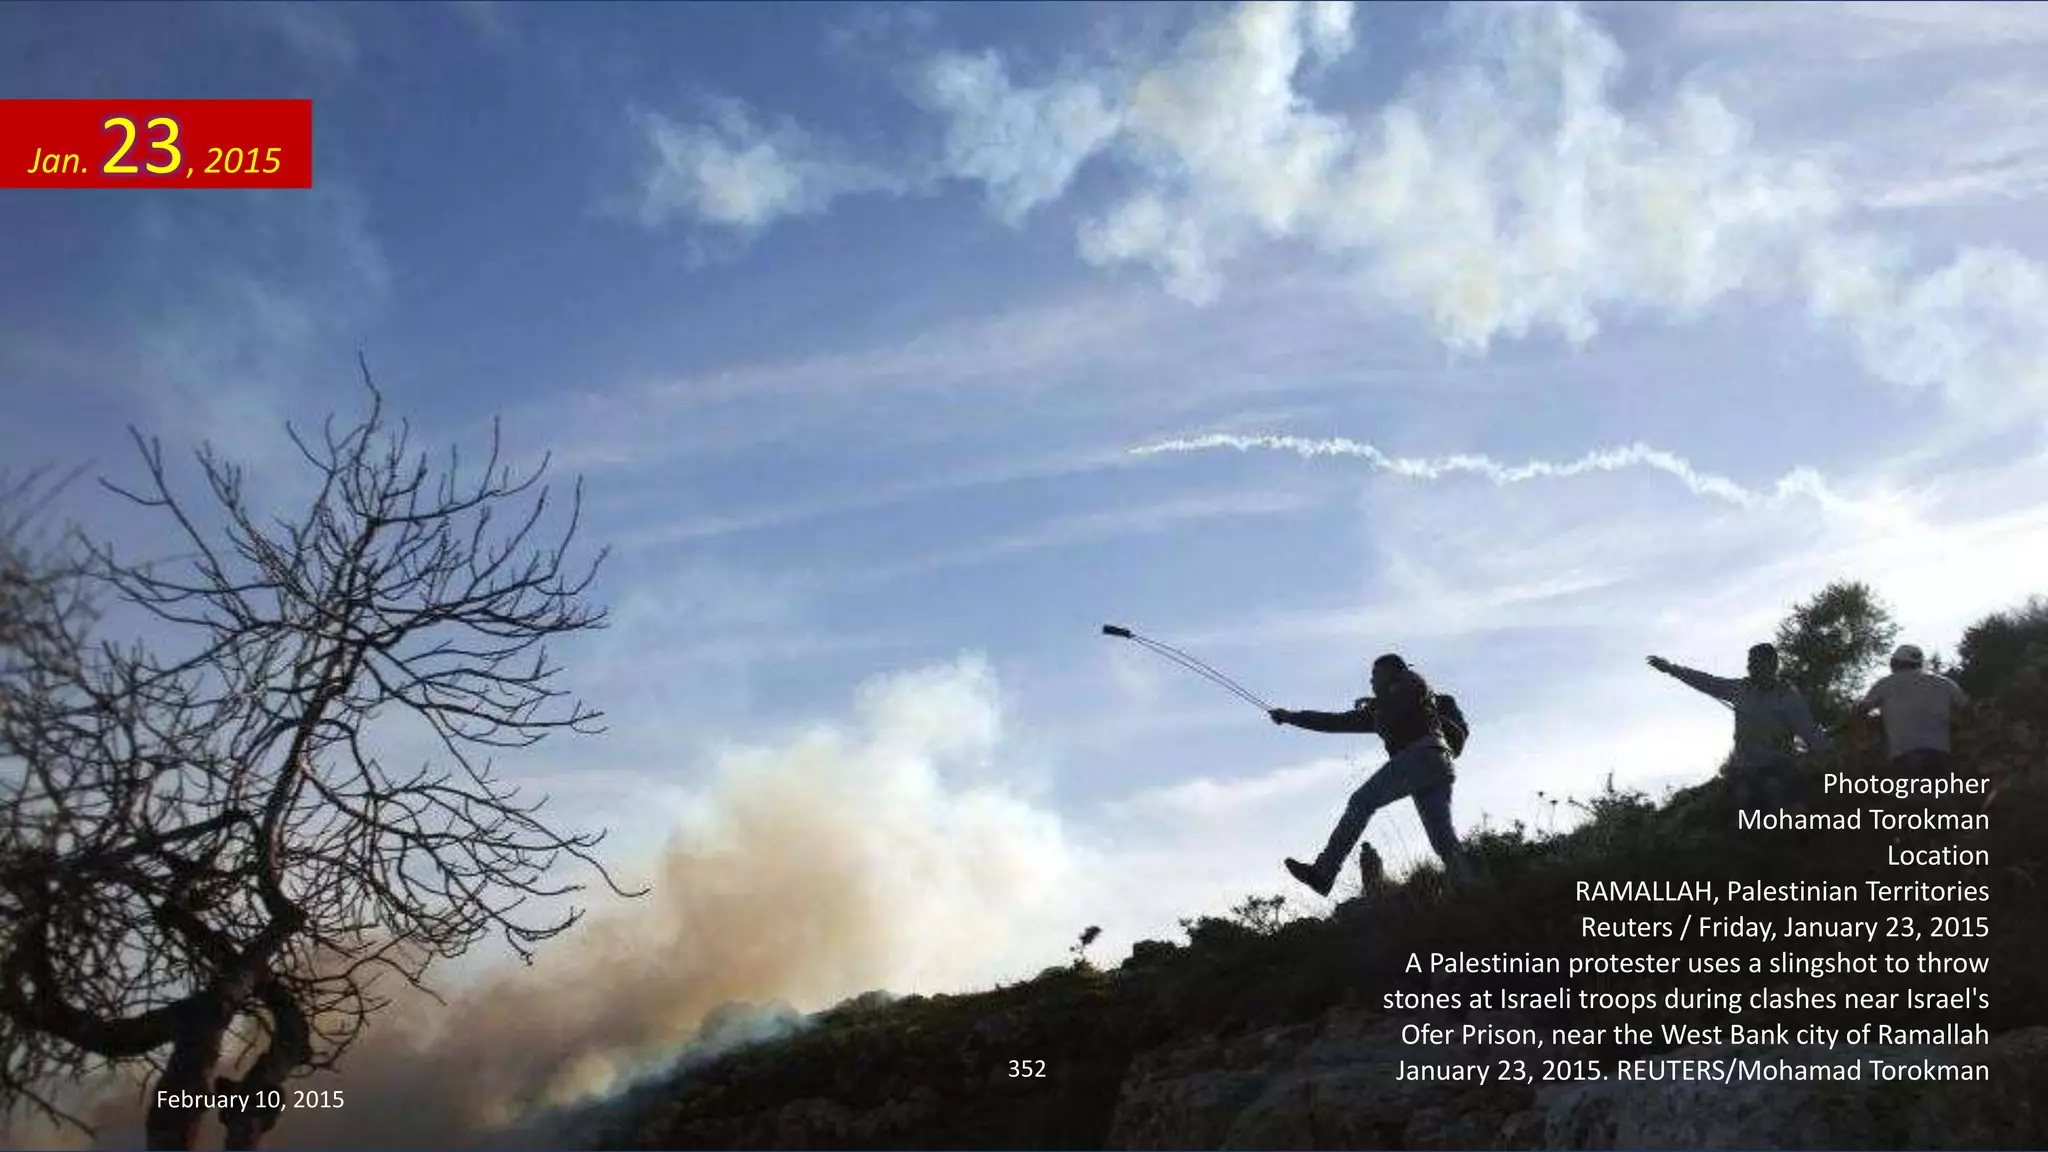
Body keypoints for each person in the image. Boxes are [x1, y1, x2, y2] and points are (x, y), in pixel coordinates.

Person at [1269, 653, 1473, 896]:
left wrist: (1380, 704)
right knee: (1443, 839)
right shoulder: (1381, 710)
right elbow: (1335, 722)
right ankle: (1472, 889)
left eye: (1374, 675)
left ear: (1390, 672)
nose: (1371, 682)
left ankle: (1324, 872)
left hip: (1421, 756)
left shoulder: (1411, 682)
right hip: (1437, 766)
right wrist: (1291, 717)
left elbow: (1412, 694)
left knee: (1361, 801)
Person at [1646, 643, 1830, 806]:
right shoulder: (1741, 689)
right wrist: (1671, 669)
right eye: (1750, 663)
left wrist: (1828, 757)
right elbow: (1707, 682)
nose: (1751, 667)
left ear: (1772, 665)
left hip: (1778, 768)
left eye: (1756, 662)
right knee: (1741, 802)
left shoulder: (1788, 697)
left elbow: (1810, 733)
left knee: (1776, 794)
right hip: (1745, 770)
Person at [1830, 644, 1968, 774]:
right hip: (1940, 754)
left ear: (1895, 663)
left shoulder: (1885, 684)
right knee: (1939, 794)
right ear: (1919, 664)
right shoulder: (1945, 683)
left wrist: (1862, 737)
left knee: (1908, 795)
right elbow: (1967, 709)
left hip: (1904, 754)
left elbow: (1860, 711)